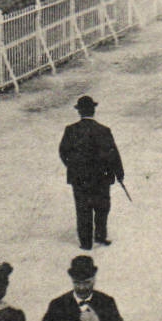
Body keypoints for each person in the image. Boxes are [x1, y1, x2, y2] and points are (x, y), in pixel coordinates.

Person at [58, 95, 124, 250]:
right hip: (102, 177)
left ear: (79, 112)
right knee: (102, 207)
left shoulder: (71, 130)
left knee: (83, 209)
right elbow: (113, 153)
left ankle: (85, 242)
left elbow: (63, 151)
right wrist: (119, 173)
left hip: (79, 177)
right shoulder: (103, 130)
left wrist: (72, 165)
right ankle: (100, 237)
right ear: (93, 111)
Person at [34, 255, 125, 321]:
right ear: (72, 280)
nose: (81, 288)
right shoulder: (58, 304)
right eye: (77, 283)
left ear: (94, 279)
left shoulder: (106, 301)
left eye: (87, 283)